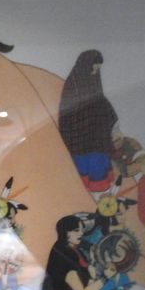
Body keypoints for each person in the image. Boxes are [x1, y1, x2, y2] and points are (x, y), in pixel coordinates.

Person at [58, 50, 119, 194]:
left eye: (98, 70)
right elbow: (67, 115)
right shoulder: (73, 87)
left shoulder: (95, 87)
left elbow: (104, 107)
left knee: (98, 167)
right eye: (94, 68)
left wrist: (114, 129)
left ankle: (100, 197)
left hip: (97, 140)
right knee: (83, 172)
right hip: (80, 140)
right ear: (85, 67)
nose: (95, 72)